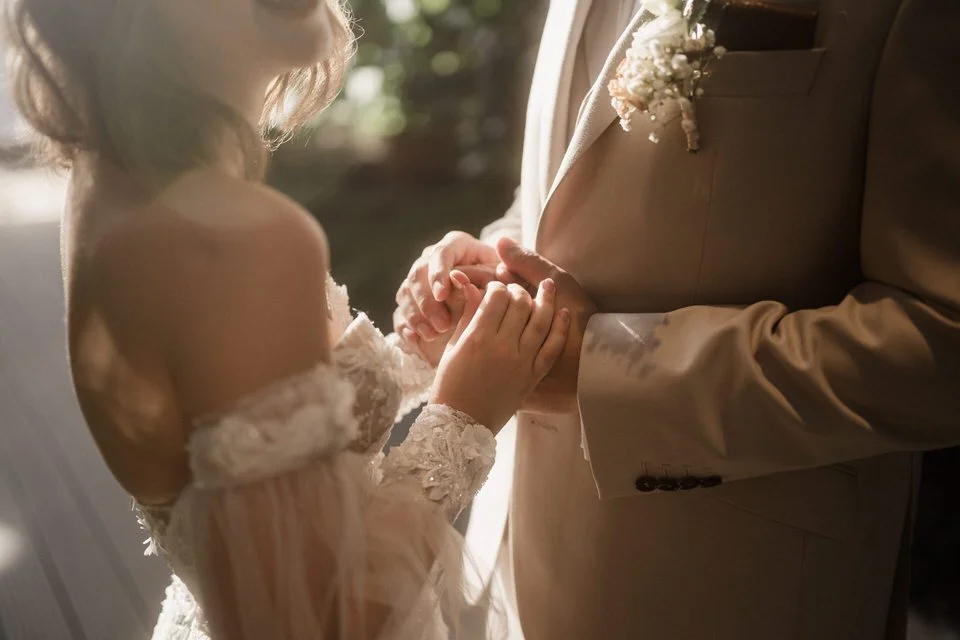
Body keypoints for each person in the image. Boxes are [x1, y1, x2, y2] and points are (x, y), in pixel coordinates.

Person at [3, 0, 570, 638]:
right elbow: (328, 619)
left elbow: (256, 428)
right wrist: (464, 415)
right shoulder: (237, 242)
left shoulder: (109, 184)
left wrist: (421, 357)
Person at [395, 0, 960, 637]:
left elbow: (940, 341)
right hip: (515, 548)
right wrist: (501, 263)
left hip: (735, 580)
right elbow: (581, 167)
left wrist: (606, 371)